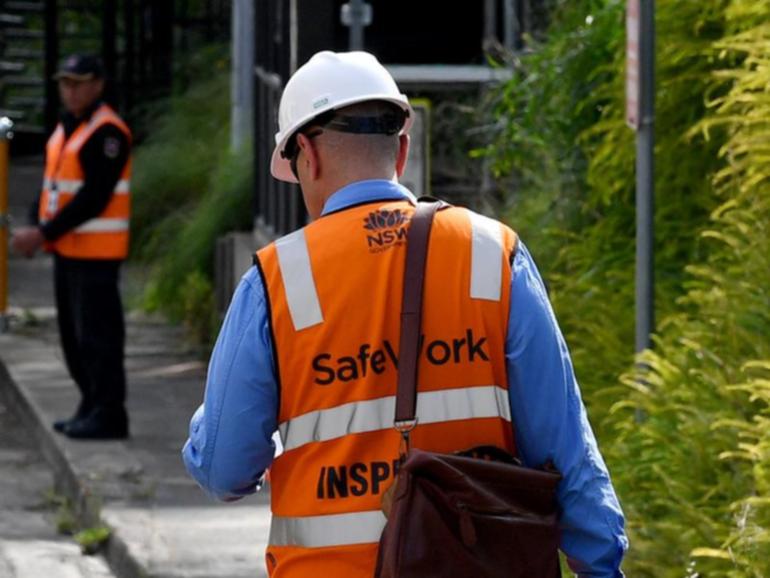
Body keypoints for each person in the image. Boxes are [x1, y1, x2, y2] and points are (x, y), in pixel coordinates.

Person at [183, 50, 627, 576]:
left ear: (307, 154)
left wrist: (210, 423)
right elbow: (567, 452)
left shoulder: (276, 279)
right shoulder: (492, 253)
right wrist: (601, 567)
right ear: (401, 151)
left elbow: (223, 468)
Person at [12, 54, 131, 440]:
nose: (70, 90)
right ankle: (90, 405)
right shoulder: (68, 128)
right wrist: (36, 224)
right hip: (68, 251)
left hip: (96, 255)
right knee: (74, 338)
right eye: (65, 83)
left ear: (98, 84)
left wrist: (42, 233)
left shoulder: (107, 133)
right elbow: (52, 188)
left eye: (78, 83)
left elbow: (93, 198)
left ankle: (109, 413)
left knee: (99, 339)